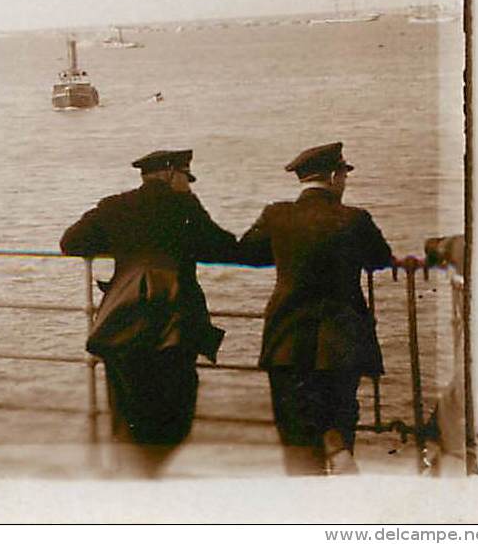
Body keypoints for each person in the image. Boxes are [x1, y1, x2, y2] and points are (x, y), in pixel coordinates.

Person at [60, 149, 240, 477]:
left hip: (121, 326)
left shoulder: (115, 206)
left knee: (126, 415)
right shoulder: (185, 208)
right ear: (171, 173)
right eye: (187, 176)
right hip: (172, 328)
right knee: (175, 414)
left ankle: (132, 486)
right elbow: (225, 246)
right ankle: (149, 481)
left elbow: (71, 242)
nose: (189, 184)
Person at [238, 141, 393, 475]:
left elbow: (249, 253)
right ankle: (339, 462)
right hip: (341, 344)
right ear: (335, 176)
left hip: (286, 344)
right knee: (338, 424)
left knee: (296, 438)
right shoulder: (355, 219)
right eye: (344, 175)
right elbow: (380, 259)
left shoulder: (276, 215)